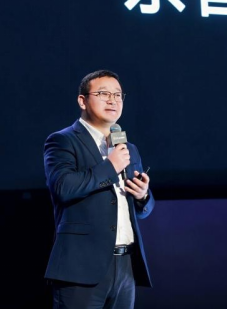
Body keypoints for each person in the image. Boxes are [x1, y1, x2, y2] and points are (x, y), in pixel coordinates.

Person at [44, 70, 154, 309]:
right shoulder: (63, 140)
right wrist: (110, 167)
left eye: (118, 95)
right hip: (81, 268)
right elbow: (63, 187)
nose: (112, 100)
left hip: (125, 266)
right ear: (82, 101)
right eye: (104, 93)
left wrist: (142, 195)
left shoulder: (128, 148)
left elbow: (142, 210)